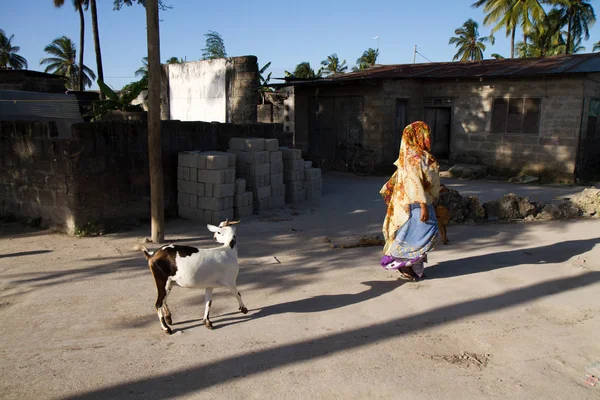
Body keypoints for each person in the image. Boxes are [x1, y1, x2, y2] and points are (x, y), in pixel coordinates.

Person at [380, 121, 440, 281]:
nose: (429, 137)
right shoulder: (413, 157)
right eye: (426, 134)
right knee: (419, 233)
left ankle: (415, 266)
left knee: (415, 234)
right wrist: (423, 206)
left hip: (419, 201)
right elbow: (415, 184)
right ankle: (404, 264)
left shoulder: (416, 154)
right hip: (415, 203)